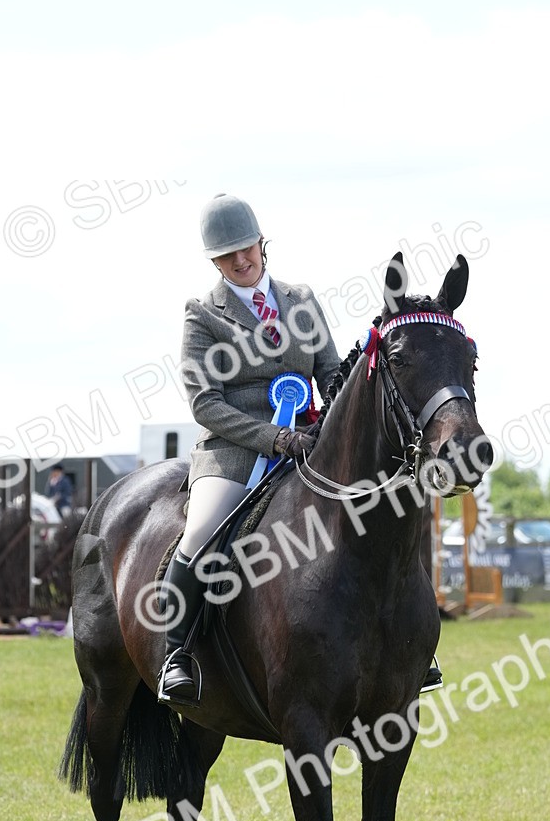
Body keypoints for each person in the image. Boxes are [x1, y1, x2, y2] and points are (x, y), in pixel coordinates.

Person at [157, 193, 443, 705]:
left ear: (263, 245)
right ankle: (175, 654)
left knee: (392, 510)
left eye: (247, 250)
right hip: (234, 452)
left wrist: (325, 421)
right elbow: (205, 403)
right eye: (228, 257)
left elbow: (332, 373)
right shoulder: (203, 316)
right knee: (200, 534)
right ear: (214, 262)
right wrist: (273, 436)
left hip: (311, 443)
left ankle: (411, 646)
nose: (242, 262)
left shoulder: (301, 300)